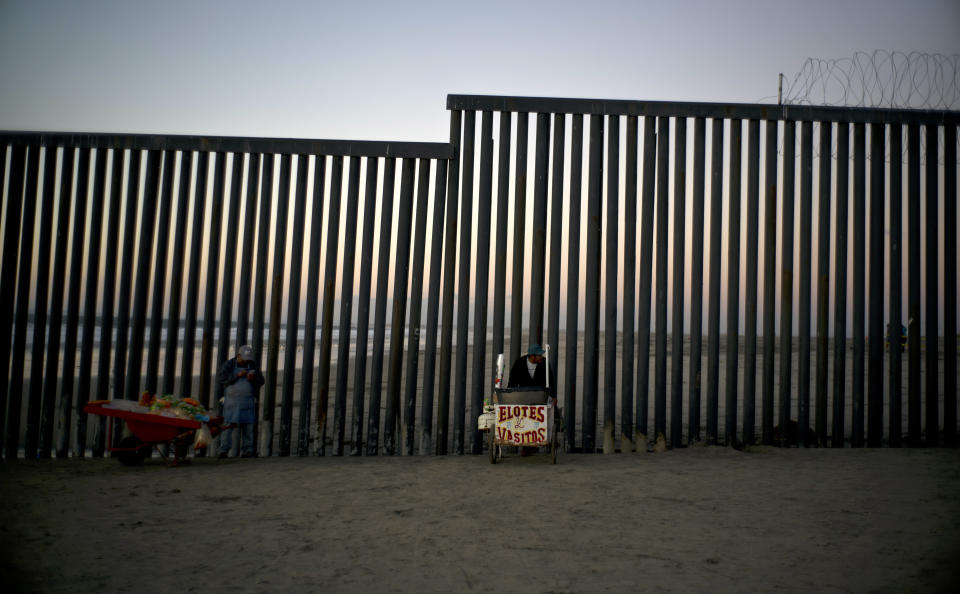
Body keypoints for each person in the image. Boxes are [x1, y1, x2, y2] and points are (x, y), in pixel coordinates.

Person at [216, 345, 265, 458]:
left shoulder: (252, 365)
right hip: (231, 402)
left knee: (248, 426)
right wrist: (236, 375)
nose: (245, 361)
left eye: (248, 359)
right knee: (227, 426)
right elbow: (222, 379)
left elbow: (261, 381)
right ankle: (223, 450)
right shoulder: (229, 364)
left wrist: (253, 379)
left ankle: (248, 450)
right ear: (238, 356)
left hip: (247, 401)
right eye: (244, 358)